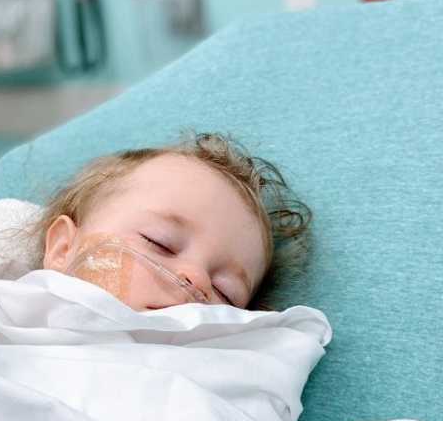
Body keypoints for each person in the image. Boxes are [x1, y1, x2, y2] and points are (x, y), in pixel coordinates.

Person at [31, 132, 311, 312]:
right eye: (159, 242)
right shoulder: (1, 330)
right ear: (63, 248)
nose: (198, 280)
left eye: (226, 293)